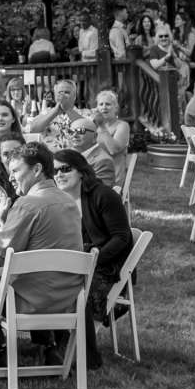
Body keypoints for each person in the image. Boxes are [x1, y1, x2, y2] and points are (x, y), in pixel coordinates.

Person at [0, 140, 90, 364]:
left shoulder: (27, 204)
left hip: (28, 303)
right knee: (35, 279)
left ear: (37, 169)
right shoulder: (69, 202)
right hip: (67, 300)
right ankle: (49, 346)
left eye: (15, 170)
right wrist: (5, 219)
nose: (11, 177)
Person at [51, 149, 133, 362]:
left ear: (81, 171)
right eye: (54, 171)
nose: (59, 174)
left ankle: (77, 352)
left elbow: (121, 237)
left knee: (77, 291)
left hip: (107, 266)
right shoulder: (58, 199)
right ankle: (53, 341)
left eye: (65, 169)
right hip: (74, 262)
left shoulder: (103, 195)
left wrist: (94, 260)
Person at [27, 77, 90, 150]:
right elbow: (33, 129)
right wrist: (55, 111)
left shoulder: (84, 113)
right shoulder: (46, 112)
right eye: (60, 92)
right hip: (51, 157)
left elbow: (86, 132)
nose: (63, 95)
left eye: (67, 92)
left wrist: (68, 109)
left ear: (74, 96)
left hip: (75, 157)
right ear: (55, 97)